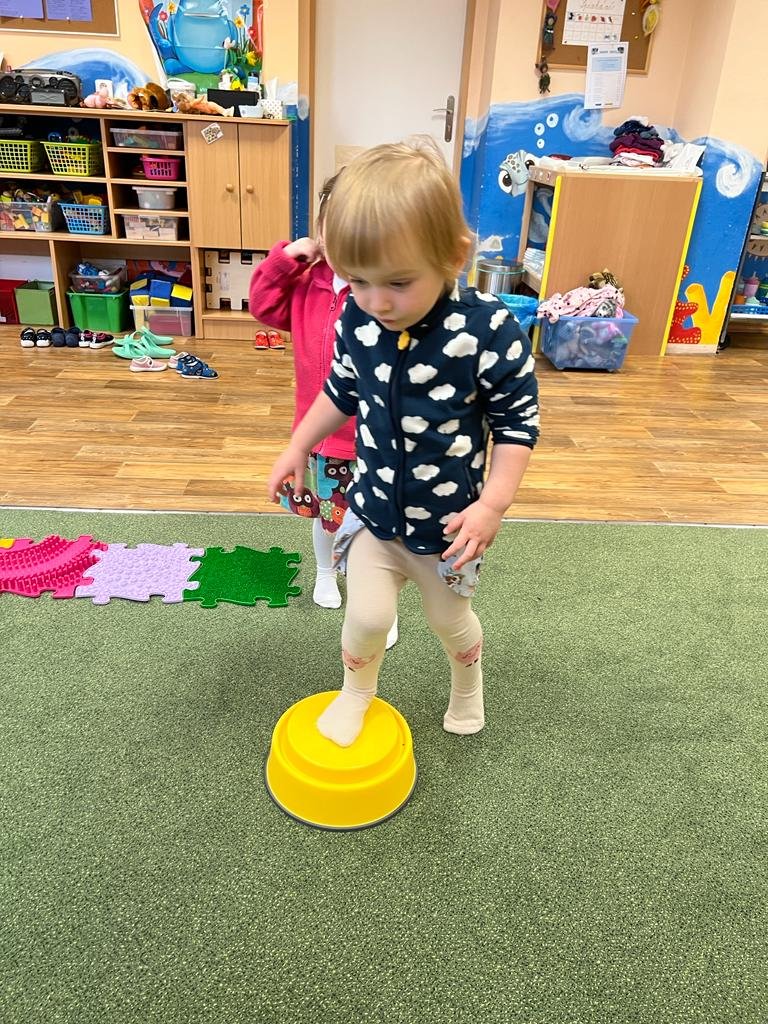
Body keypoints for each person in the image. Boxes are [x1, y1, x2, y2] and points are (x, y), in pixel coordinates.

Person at [266, 138, 539, 747]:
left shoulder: (489, 328)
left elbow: (517, 425)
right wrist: (298, 446)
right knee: (366, 617)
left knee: (450, 622)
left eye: (397, 281)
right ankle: (356, 693)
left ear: (454, 256)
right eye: (357, 280)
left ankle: (467, 686)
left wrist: (492, 505)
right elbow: (340, 390)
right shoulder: (358, 318)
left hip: (450, 525)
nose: (375, 301)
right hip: (376, 512)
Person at [250, 175, 398, 650]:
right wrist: (286, 259)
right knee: (328, 515)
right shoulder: (307, 283)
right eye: (331, 226)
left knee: (377, 525)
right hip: (320, 433)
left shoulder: (381, 290)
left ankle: (377, 602)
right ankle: (324, 571)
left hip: (376, 436)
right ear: (320, 228)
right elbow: (262, 306)